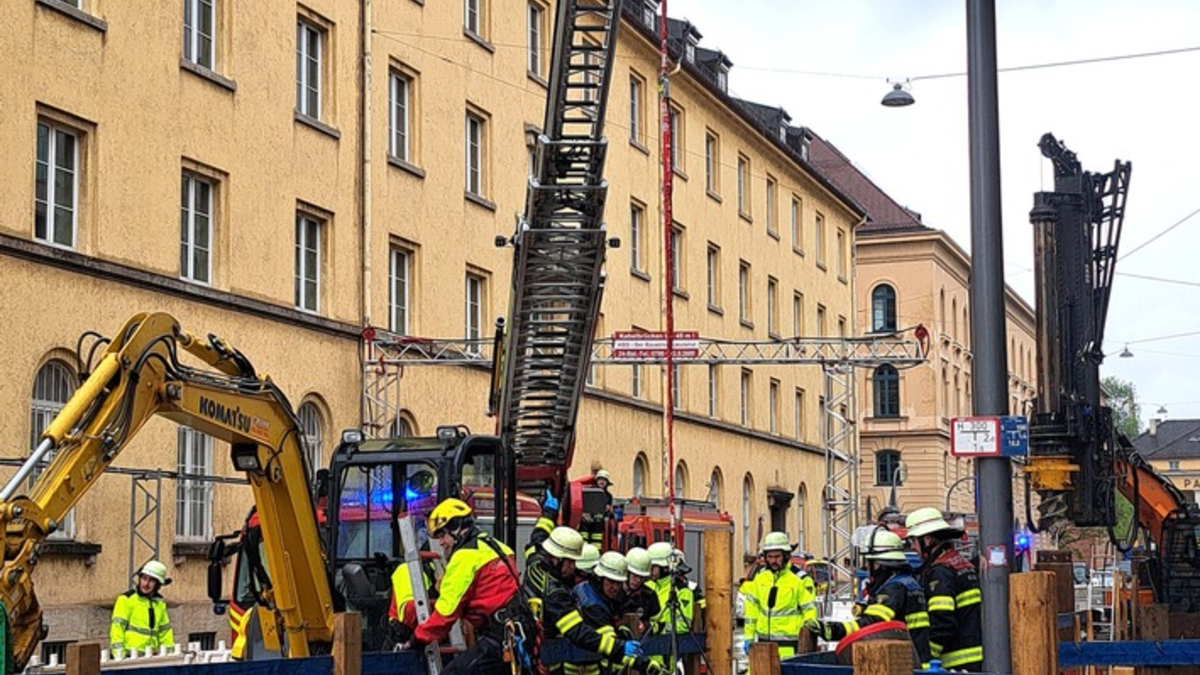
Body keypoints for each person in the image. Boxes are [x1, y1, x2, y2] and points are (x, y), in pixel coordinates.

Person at [410, 498, 532, 675]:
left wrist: (416, 639)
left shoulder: (464, 557)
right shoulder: (498, 547)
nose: (441, 543)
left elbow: (446, 613)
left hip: (500, 636)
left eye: (442, 535)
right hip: (518, 631)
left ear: (457, 528)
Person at [805, 529, 931, 668]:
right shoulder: (906, 582)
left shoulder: (894, 588)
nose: (866, 567)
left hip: (905, 665)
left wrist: (832, 630)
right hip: (913, 661)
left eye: (869, 562)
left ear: (880, 564)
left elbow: (872, 624)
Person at [524, 519, 631, 675]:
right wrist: (619, 647)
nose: (573, 566)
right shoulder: (555, 594)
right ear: (557, 558)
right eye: (571, 561)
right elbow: (578, 632)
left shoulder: (534, 565)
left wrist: (548, 513)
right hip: (544, 657)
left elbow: (536, 539)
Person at [905, 507, 983, 672]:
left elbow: (942, 622)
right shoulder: (960, 563)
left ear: (927, 540)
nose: (911, 547)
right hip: (973, 659)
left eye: (912, 540)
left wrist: (926, 657)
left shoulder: (940, 571)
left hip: (955, 662)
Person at [571, 553, 664, 675]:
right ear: (600, 578)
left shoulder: (598, 593)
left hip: (588, 660)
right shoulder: (592, 604)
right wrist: (644, 664)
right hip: (575, 663)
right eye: (611, 581)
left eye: (619, 583)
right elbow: (611, 643)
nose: (615, 587)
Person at [742, 532, 816, 661]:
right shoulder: (760, 578)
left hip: (791, 646)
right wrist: (749, 636)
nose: (773, 561)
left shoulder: (801, 580)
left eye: (777, 556)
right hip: (763, 644)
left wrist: (808, 641)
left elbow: (809, 612)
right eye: (770, 557)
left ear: (786, 556)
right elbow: (751, 610)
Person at [110, 560, 175, 657]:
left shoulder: (159, 604)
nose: (146, 584)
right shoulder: (126, 600)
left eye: (151, 580)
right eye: (144, 578)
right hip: (129, 658)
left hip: (151, 658)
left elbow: (165, 634)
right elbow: (117, 630)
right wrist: (119, 657)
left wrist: (170, 656)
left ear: (158, 585)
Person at [623, 548, 661, 635]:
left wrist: (645, 626)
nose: (638, 580)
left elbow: (658, 624)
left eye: (642, 577)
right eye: (635, 575)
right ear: (627, 572)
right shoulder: (614, 593)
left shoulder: (649, 595)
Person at [581, 469, 614, 547]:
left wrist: (608, 509)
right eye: (600, 479)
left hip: (599, 523)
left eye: (604, 480)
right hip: (586, 521)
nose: (601, 482)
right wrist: (583, 514)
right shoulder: (588, 491)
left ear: (607, 482)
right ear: (596, 481)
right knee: (583, 542)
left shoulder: (609, 496)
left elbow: (609, 511)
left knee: (596, 544)